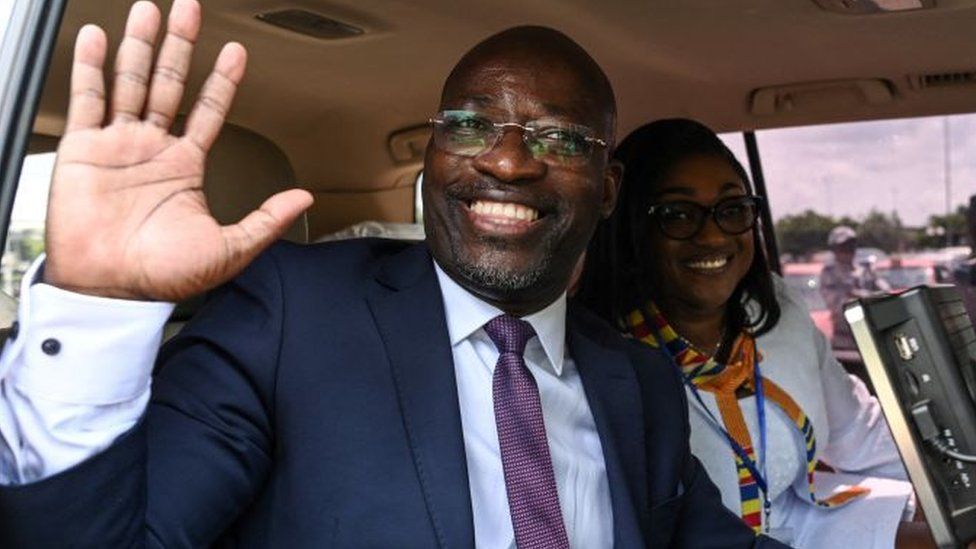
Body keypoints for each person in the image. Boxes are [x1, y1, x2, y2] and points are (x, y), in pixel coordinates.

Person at [0, 2, 786, 547]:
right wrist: (94, 303)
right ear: (436, 158)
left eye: (559, 138)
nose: (508, 161)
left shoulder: (638, 383)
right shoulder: (290, 318)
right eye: (471, 125)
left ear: (608, 189)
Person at [576, 119, 923, 548]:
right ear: (631, 228)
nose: (713, 235)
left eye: (732, 209)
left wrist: (949, 484)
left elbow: (859, 432)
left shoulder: (776, 310)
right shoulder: (601, 365)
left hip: (805, 523)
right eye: (678, 215)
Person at [819, 225, 889, 350]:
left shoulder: (866, 270)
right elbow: (838, 306)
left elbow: (884, 295)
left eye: (851, 246)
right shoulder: (830, 274)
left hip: (871, 338)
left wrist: (861, 295)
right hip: (844, 340)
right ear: (834, 249)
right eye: (843, 247)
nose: (848, 250)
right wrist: (865, 298)